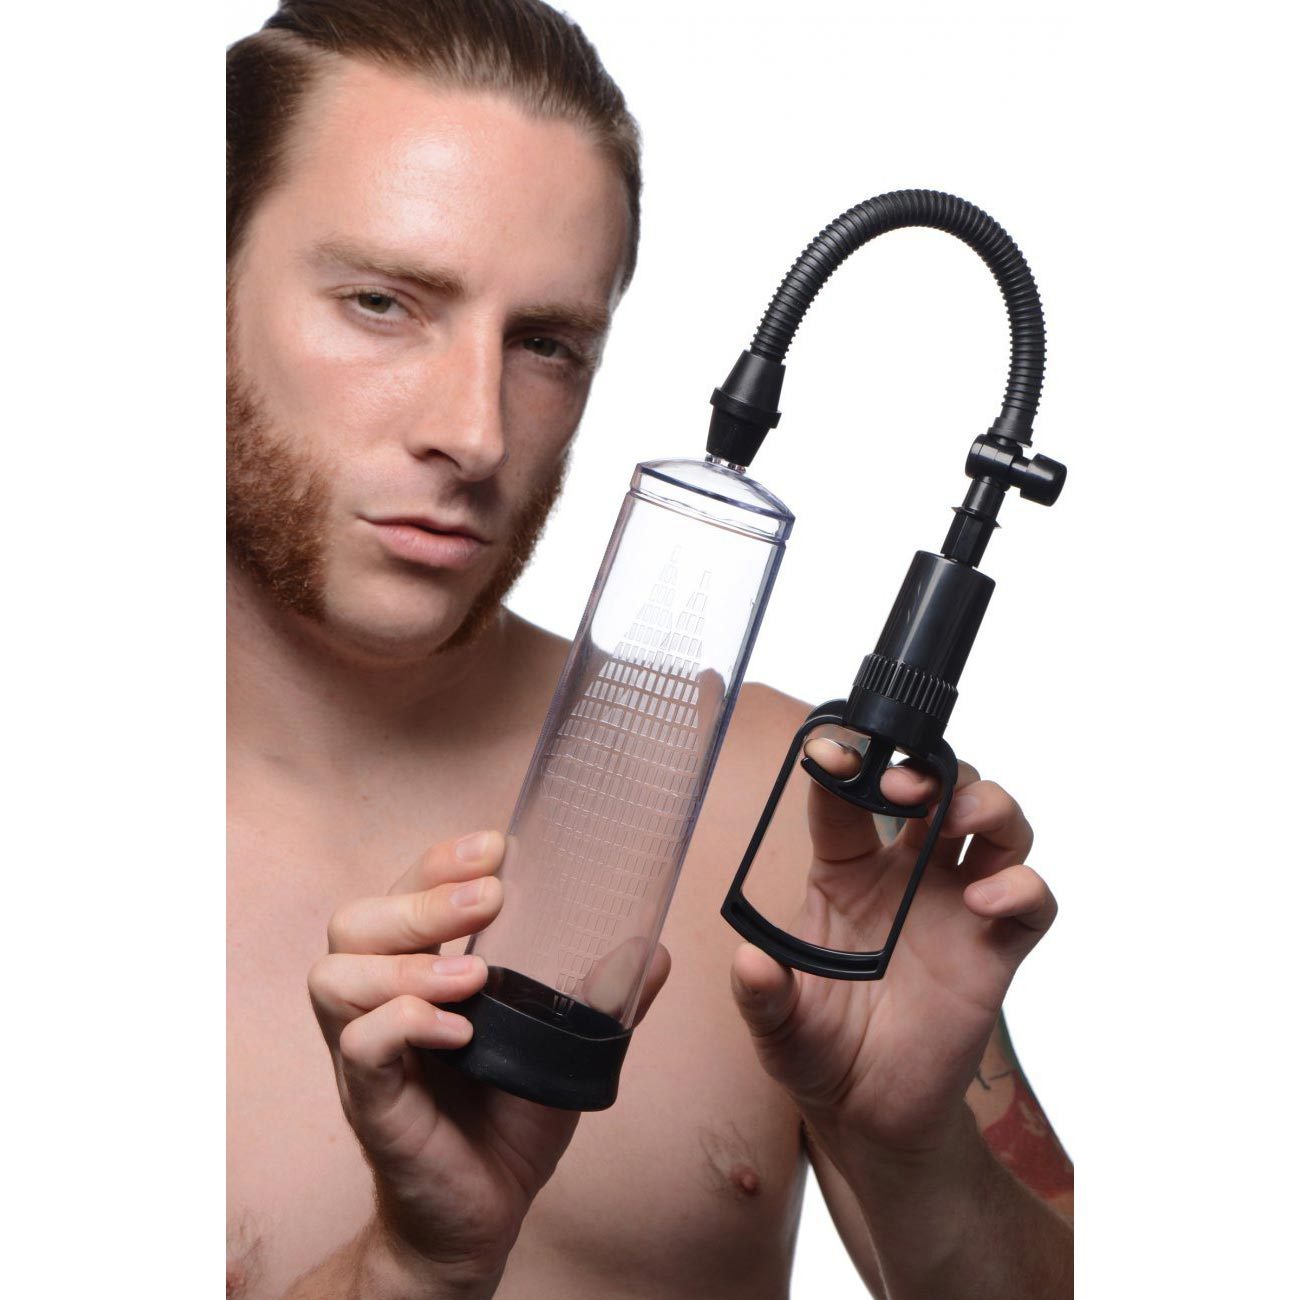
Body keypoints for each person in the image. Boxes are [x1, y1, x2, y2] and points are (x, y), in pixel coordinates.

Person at [226, 2, 1075, 1296]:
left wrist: (916, 1156)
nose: (476, 432)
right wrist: (411, 1272)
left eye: (547, 343)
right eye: (382, 302)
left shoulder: (790, 826)